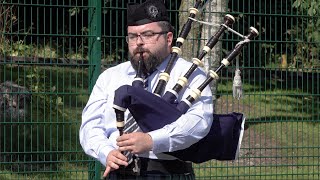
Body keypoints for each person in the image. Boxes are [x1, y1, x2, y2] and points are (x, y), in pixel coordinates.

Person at [79, 0, 213, 179]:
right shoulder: (111, 76)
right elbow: (90, 125)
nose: (139, 43)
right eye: (132, 37)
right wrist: (106, 152)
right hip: (118, 171)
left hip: (167, 172)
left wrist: (152, 140)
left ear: (169, 38)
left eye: (148, 34)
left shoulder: (190, 74)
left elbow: (198, 122)